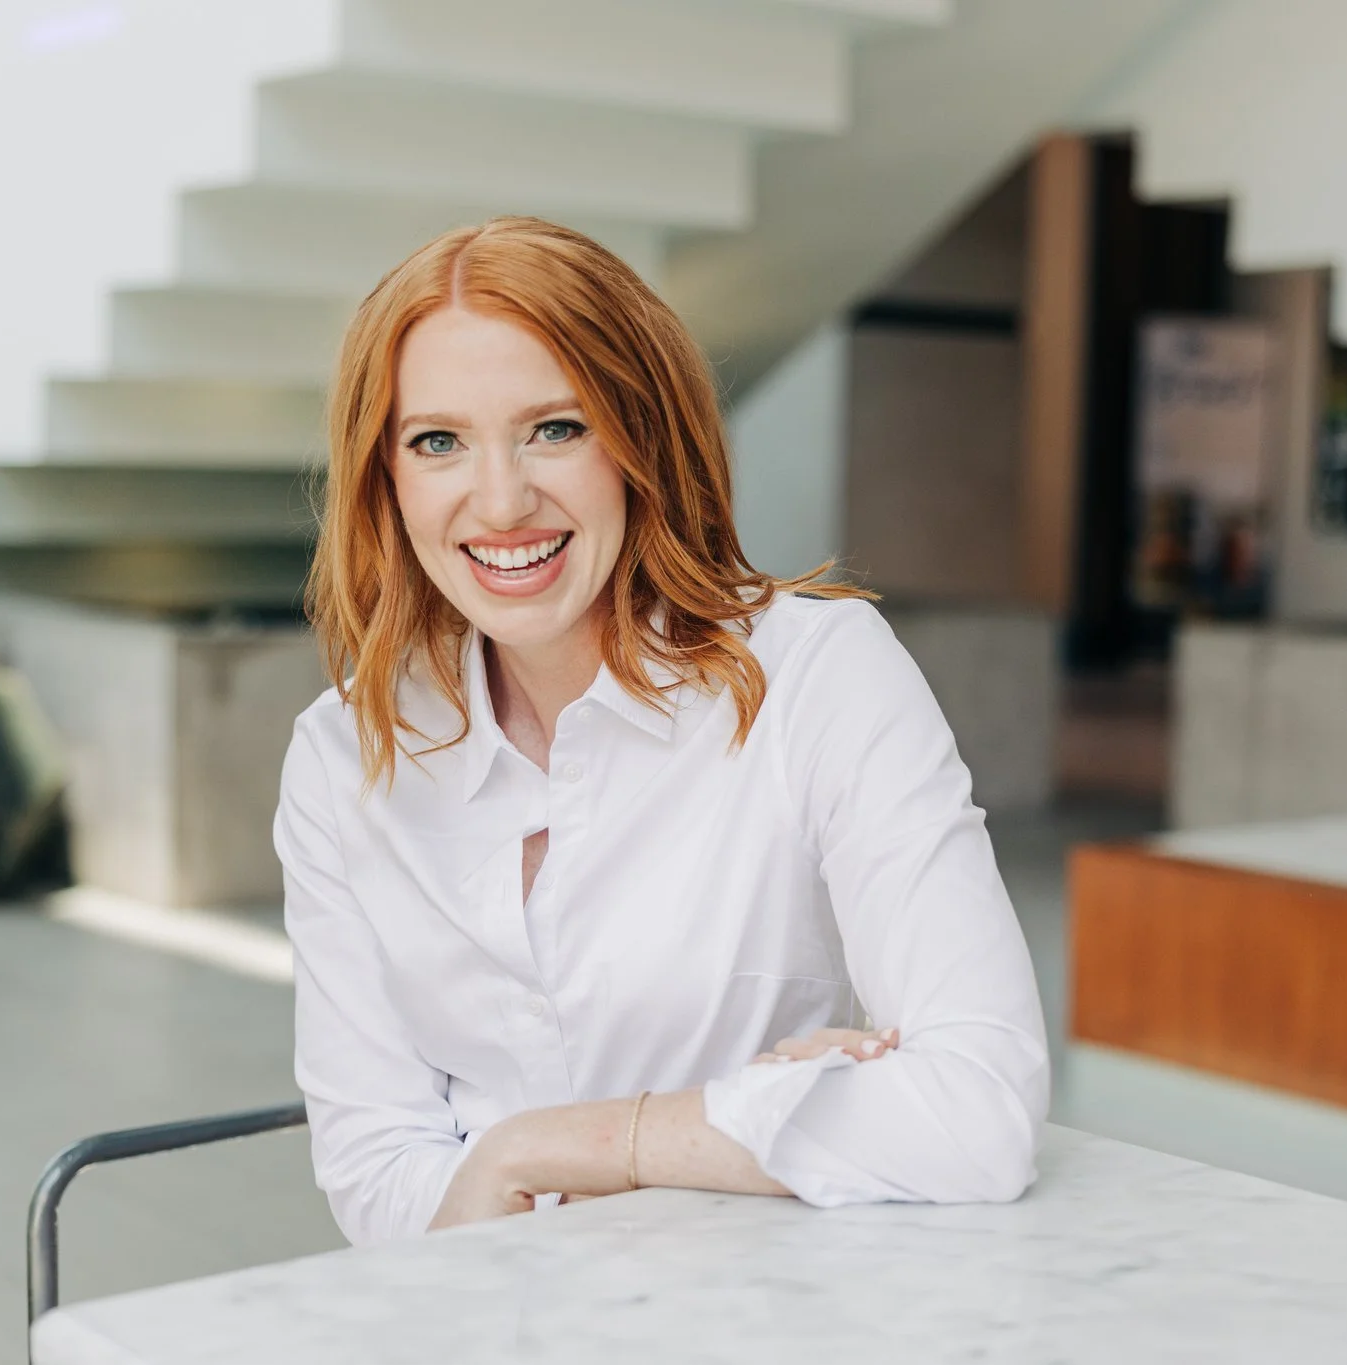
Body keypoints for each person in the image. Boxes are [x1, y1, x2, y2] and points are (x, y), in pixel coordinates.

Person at [276, 216, 1049, 1243]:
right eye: (437, 442)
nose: (500, 500)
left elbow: (979, 1110)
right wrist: (755, 1125)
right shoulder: (341, 759)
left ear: (643, 440)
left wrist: (539, 1148)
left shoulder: (818, 677)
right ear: (384, 477)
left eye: (557, 428)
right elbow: (376, 1174)